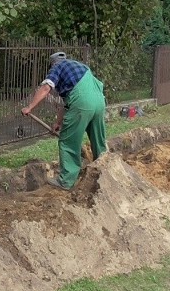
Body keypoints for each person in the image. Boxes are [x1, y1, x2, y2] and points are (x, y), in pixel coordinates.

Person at [21, 51, 107, 190]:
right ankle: (106, 169)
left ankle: (66, 181)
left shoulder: (57, 67)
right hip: (99, 102)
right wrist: (58, 123)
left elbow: (45, 88)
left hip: (82, 103)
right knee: (98, 139)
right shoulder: (80, 66)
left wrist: (29, 107)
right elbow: (65, 103)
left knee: (68, 141)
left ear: (53, 63)